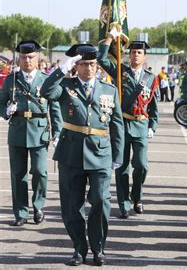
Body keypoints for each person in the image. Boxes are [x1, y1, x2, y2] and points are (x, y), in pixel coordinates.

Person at [40, 44, 124, 266]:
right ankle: (79, 248)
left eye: (93, 64)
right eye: (84, 64)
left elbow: (117, 124)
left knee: (100, 200)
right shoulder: (66, 86)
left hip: (101, 152)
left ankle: (99, 248)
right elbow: (45, 92)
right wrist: (60, 71)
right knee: (71, 205)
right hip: (71, 152)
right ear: (76, 66)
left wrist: (118, 155)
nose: (89, 68)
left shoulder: (109, 90)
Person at [98, 29, 159, 219]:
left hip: (141, 126)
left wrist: (152, 126)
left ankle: (137, 197)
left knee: (141, 165)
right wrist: (109, 39)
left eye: (139, 53)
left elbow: (154, 106)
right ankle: (124, 203)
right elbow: (101, 58)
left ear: (144, 56)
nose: (135, 55)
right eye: (132, 52)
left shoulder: (150, 78)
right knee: (122, 167)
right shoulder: (119, 71)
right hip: (122, 124)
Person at [0, 40, 62, 227]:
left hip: (40, 130)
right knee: (18, 175)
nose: (27, 60)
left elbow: (55, 108)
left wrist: (57, 132)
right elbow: (1, 103)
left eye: (31, 57)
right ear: (19, 58)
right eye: (24, 57)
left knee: (40, 172)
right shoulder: (11, 79)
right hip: (18, 130)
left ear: (37, 58)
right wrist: (6, 111)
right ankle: (21, 213)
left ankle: (38, 206)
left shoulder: (45, 79)